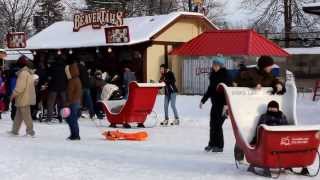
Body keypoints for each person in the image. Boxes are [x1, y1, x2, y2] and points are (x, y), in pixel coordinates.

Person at [233, 56, 286, 161]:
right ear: (263, 66)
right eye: (269, 66)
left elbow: (275, 81)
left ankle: (259, 156)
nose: (271, 68)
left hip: (261, 107)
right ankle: (239, 158)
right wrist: (252, 85)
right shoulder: (248, 72)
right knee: (244, 131)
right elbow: (236, 83)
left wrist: (278, 85)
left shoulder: (268, 75)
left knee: (259, 133)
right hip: (246, 107)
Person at [247, 100, 289, 175]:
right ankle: (265, 162)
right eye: (270, 108)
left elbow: (286, 126)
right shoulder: (264, 116)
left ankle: (286, 161)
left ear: (277, 109)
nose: (272, 109)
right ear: (268, 108)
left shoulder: (282, 116)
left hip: (281, 138)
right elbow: (259, 128)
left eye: (274, 108)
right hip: (268, 139)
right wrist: (255, 139)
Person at [200, 57, 231, 152]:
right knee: (212, 124)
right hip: (215, 104)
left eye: (216, 65)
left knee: (218, 125)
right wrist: (203, 100)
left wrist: (226, 105)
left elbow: (228, 91)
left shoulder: (225, 76)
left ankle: (220, 146)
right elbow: (210, 89)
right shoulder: (213, 75)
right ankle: (212, 144)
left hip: (223, 105)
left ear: (221, 66)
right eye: (213, 64)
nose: (214, 66)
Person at [8, 56, 36, 137]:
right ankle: (14, 131)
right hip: (24, 97)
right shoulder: (27, 72)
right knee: (18, 116)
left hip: (23, 98)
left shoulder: (23, 73)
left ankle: (30, 132)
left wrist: (13, 95)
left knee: (26, 116)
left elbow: (20, 87)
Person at [65, 60, 82, 140]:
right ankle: (75, 134)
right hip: (77, 101)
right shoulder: (78, 79)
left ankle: (75, 135)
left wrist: (67, 102)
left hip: (72, 102)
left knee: (72, 119)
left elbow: (69, 93)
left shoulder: (71, 81)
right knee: (73, 119)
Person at [46, 58, 67, 123]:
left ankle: (49, 118)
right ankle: (64, 117)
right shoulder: (65, 67)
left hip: (53, 87)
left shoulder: (52, 67)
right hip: (63, 88)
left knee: (51, 103)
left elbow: (48, 77)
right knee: (63, 103)